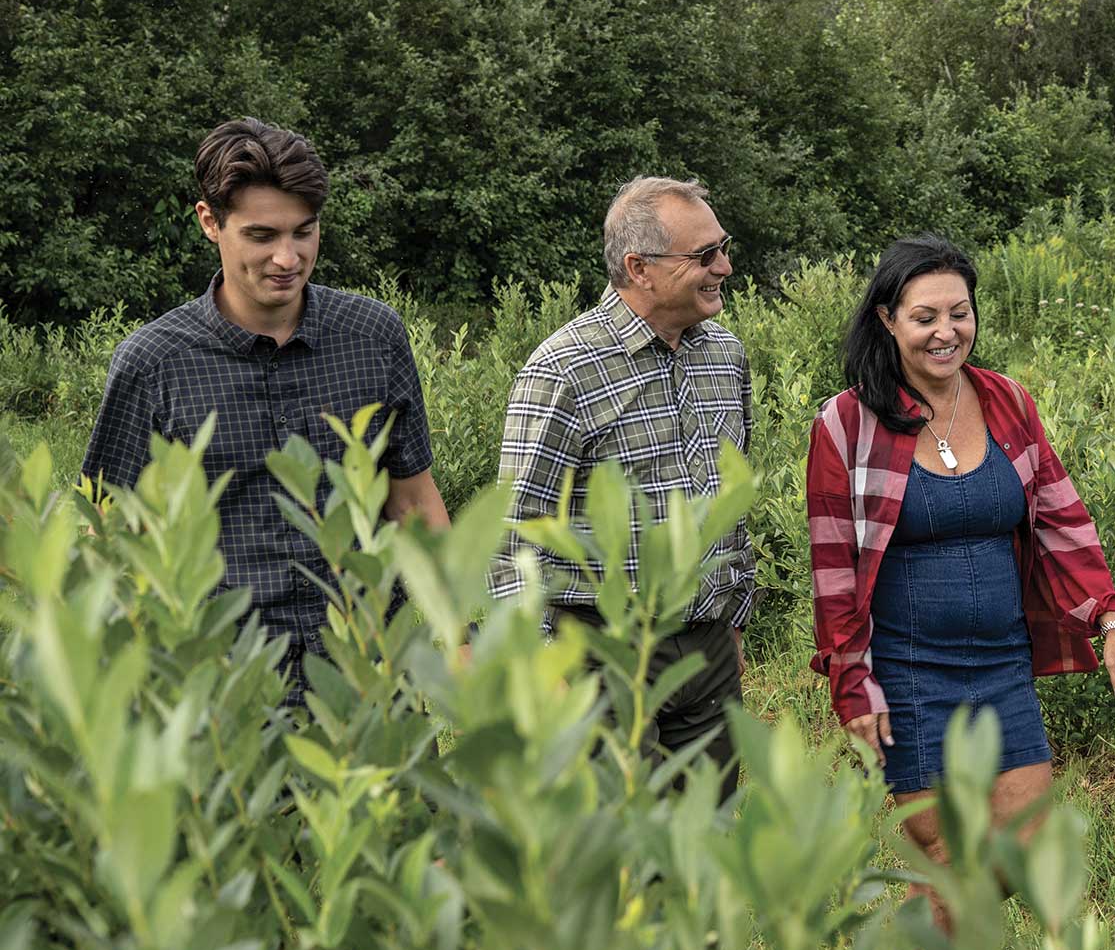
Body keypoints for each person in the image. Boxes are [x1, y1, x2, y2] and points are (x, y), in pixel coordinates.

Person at [806, 234, 1115, 923]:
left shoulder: (1007, 402)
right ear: (887, 321)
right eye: (924, 316)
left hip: (1001, 665)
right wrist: (852, 680)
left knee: (1014, 847)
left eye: (958, 313)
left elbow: (1060, 515)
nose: (945, 331)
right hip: (907, 670)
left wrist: (1107, 617)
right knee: (949, 855)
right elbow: (834, 565)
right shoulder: (847, 423)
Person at [81, 118, 450, 705]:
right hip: (227, 696)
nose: (288, 257)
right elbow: (107, 540)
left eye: (304, 232)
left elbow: (413, 502)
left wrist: (457, 637)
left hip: (370, 678)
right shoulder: (152, 365)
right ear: (210, 222)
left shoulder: (373, 336)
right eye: (261, 235)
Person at [489, 176, 754, 798]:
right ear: (639, 268)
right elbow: (514, 536)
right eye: (704, 255)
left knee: (703, 849)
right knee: (616, 858)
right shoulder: (563, 369)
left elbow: (731, 500)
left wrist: (731, 624)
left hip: (705, 646)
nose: (725, 265)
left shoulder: (725, 355)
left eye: (723, 247)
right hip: (598, 652)